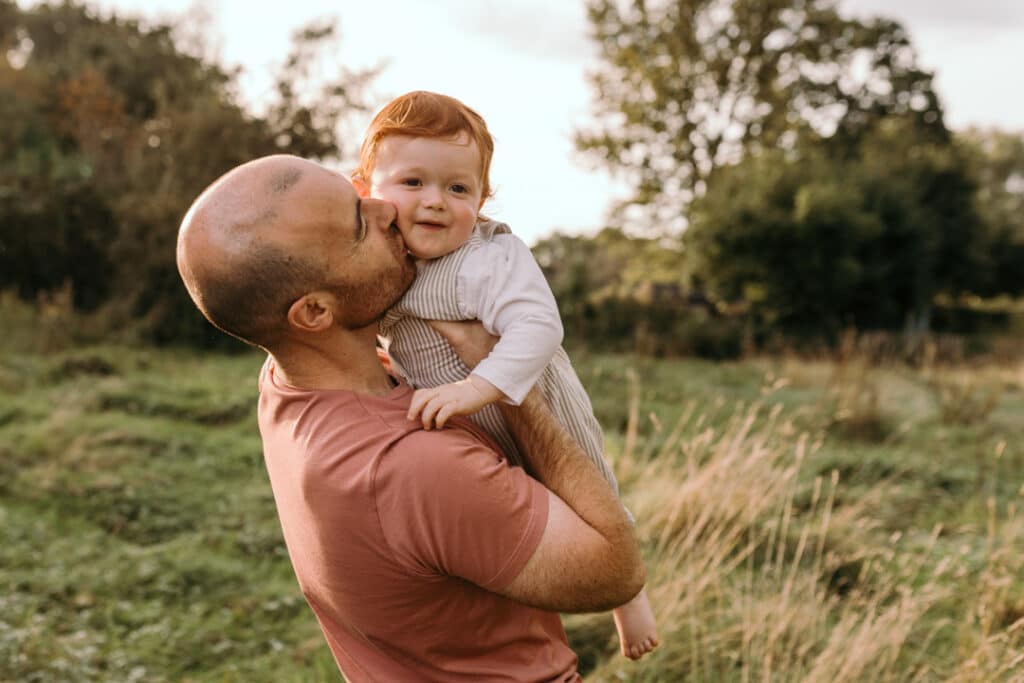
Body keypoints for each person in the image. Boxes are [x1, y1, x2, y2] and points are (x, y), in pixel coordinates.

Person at [175, 154, 646, 681]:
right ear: (313, 313)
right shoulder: (412, 466)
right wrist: (505, 381)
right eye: (359, 225)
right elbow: (619, 571)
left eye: (360, 194)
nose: (385, 211)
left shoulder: (288, 381)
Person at [352, 90, 659, 660]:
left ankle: (629, 592)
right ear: (366, 188)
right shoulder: (390, 259)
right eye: (412, 183)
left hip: (524, 391)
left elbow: (539, 327)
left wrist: (481, 384)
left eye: (458, 188)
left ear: (483, 200)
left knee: (580, 478)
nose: (436, 203)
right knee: (519, 507)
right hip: (465, 418)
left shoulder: (486, 257)